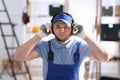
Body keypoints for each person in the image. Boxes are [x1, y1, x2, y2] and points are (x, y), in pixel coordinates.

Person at [13, 12, 110, 80]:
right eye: (58, 26)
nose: (62, 30)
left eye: (66, 27)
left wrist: (85, 36)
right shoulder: (45, 46)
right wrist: (38, 36)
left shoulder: (80, 47)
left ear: (72, 30)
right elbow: (18, 56)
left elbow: (104, 57)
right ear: (52, 29)